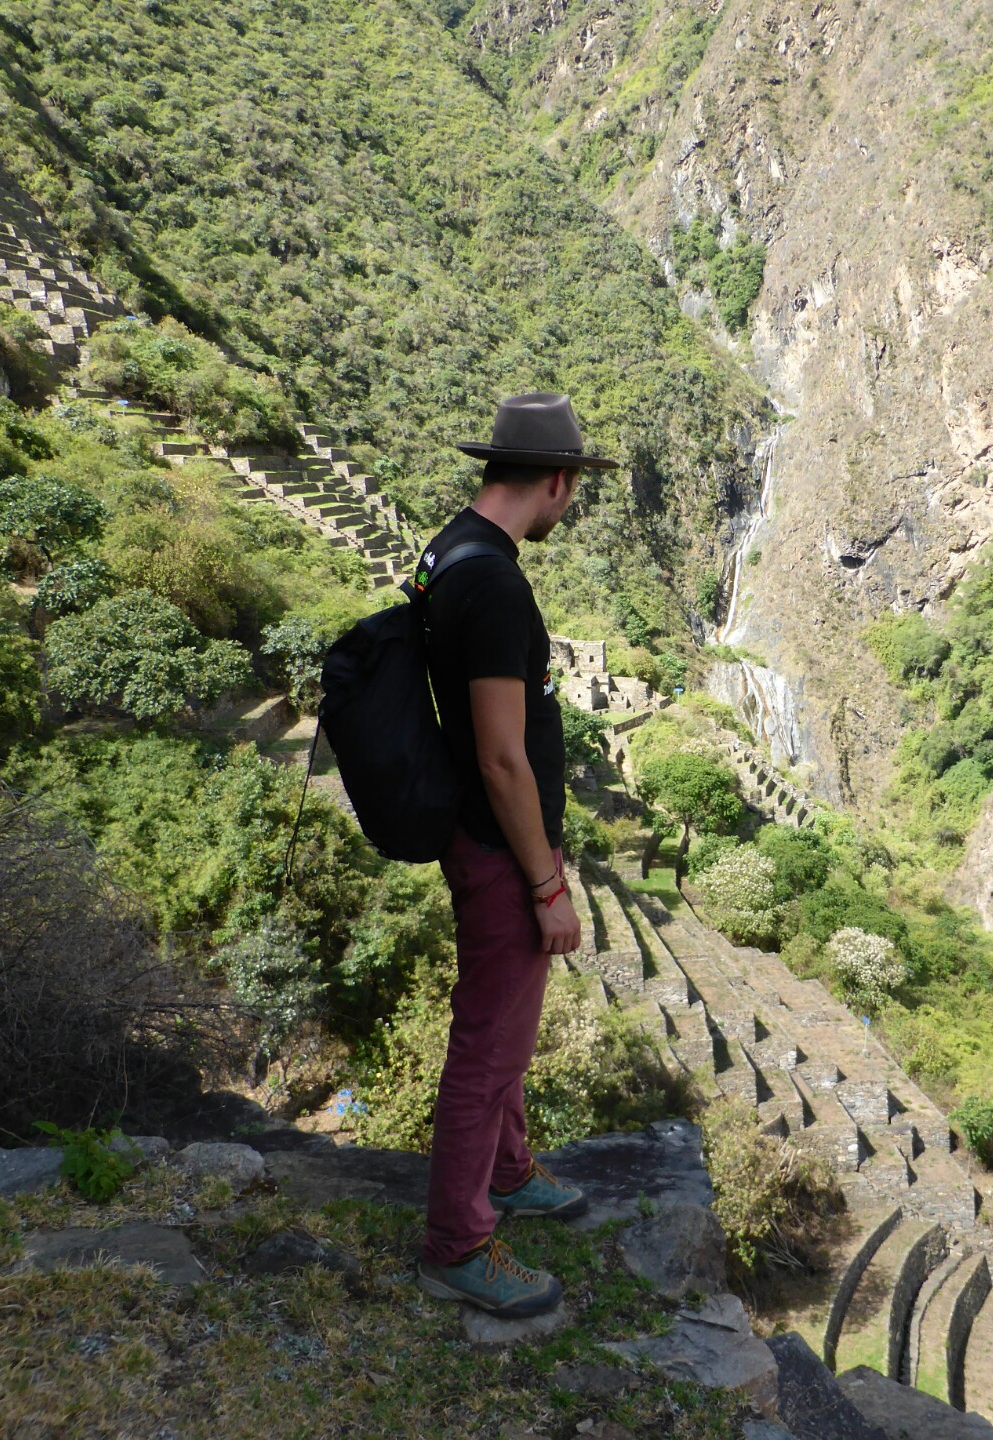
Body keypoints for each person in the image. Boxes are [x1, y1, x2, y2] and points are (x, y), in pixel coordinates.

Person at [412, 393, 620, 1318]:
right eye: (574, 492)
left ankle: (510, 1169)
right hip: (501, 847)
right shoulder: (494, 585)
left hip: (477, 830)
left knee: (508, 1033)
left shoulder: (450, 548)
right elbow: (501, 754)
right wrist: (548, 883)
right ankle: (458, 1242)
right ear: (559, 483)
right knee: (487, 1046)